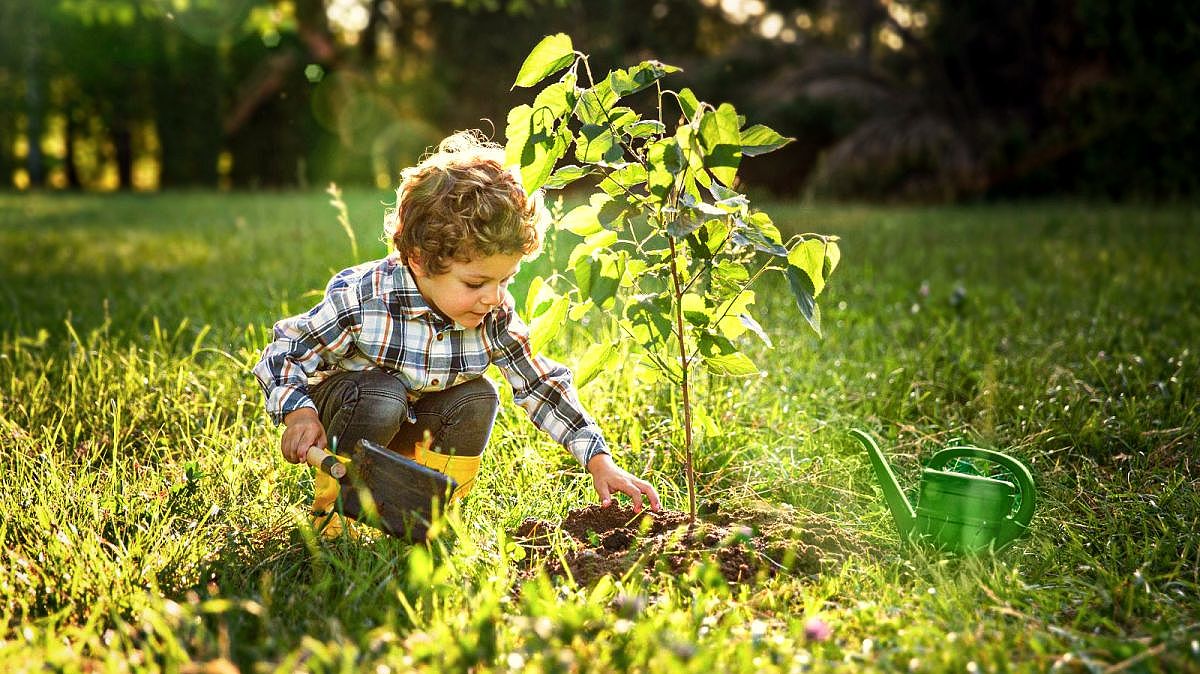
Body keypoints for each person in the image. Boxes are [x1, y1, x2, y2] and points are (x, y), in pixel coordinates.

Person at [253, 130, 660, 537]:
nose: (493, 297)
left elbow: (540, 384)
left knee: (478, 396)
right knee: (383, 396)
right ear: (419, 259)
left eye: (506, 280)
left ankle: (425, 514)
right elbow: (285, 351)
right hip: (355, 411)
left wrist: (599, 460)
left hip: (413, 423)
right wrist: (299, 413)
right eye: (475, 283)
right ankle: (338, 516)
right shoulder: (366, 300)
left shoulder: (493, 315)